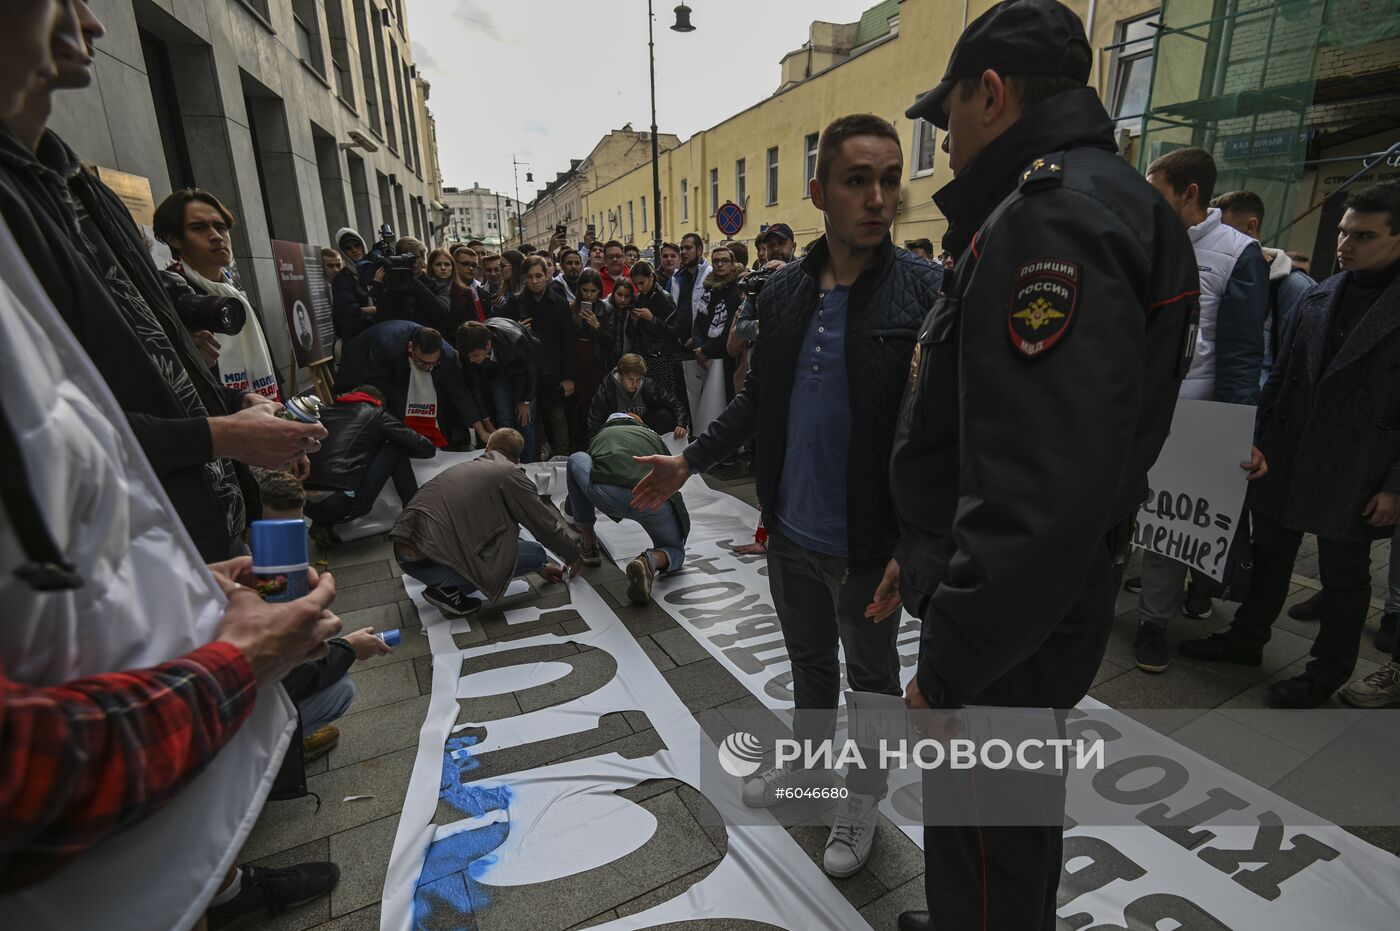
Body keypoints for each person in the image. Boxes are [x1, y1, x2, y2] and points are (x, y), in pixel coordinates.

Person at [0, 10, 342, 925]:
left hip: (163, 531)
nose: (89, 19)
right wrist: (222, 439)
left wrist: (233, 426)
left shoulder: (68, 183)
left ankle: (222, 875)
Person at [889, 3, 1199, 927]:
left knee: (989, 836)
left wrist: (947, 666)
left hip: (1005, 626)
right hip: (1030, 607)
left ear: (992, 92)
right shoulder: (1102, 198)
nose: (944, 143)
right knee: (998, 833)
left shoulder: (1049, 219)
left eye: (947, 119)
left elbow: (1036, 489)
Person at [631, 113, 943, 879]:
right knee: (808, 665)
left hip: (869, 545)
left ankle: (860, 802)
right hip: (791, 532)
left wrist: (919, 540)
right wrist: (689, 460)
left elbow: (944, 431)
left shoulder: (926, 290)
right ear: (819, 191)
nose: (878, 197)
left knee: (870, 685)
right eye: (856, 179)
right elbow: (759, 400)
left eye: (889, 179)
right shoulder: (790, 290)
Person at [0, 11, 324, 563]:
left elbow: (152, 362)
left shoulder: (80, 188)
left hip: (197, 525)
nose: (92, 23)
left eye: (222, 226)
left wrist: (230, 404)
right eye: (63, 2)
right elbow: (31, 434)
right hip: (117, 554)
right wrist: (219, 435)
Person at [1181, 180, 1400, 708]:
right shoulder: (1320, 293)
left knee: (1343, 576)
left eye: (1363, 236)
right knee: (1270, 551)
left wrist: (1396, 487)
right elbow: (1279, 377)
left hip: (1359, 465)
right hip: (1288, 450)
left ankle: (1325, 673)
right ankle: (1246, 639)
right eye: (1344, 232)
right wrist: (1255, 441)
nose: (1345, 244)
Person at [1129, 146, 1268, 673]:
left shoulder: (1237, 254)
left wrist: (1235, 429)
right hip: (1135, 407)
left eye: (1155, 194)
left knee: (1170, 522)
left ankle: (1153, 623)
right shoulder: (1143, 241)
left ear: (1190, 194)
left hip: (1194, 416)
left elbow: (1240, 352)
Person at [391, 429, 581, 617]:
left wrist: (540, 569)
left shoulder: (463, 469)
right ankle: (446, 588)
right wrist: (571, 554)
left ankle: (446, 584)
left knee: (515, 551)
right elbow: (542, 523)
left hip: (405, 554)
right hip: (433, 562)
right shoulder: (509, 474)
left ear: (487, 448)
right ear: (517, 459)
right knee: (536, 553)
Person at [153, 188, 286, 402]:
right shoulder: (167, 297)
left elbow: (273, 376)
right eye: (199, 228)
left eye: (221, 227)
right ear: (175, 239)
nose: (216, 236)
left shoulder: (238, 299)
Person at [567, 413, 689, 602]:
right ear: (639, 422)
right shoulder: (653, 435)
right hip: (653, 498)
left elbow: (581, 474)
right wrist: (680, 518)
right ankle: (651, 560)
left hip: (610, 494)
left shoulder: (601, 436)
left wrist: (573, 514)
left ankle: (589, 544)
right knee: (675, 550)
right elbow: (671, 472)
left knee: (576, 458)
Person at [304, 384, 436, 547]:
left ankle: (322, 523)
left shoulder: (325, 413)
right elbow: (426, 448)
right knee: (395, 451)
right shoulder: (376, 413)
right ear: (378, 402)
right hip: (342, 502)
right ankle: (415, 519)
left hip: (307, 506)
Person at [1212, 189, 1316, 383]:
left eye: (1222, 232)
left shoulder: (1295, 288)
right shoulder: (1215, 276)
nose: (1214, 241)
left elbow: (1301, 364)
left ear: (1251, 226)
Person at [335, 322, 489, 448]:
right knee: (397, 409)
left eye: (433, 363)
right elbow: (380, 393)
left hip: (398, 365)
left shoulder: (447, 357)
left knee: (435, 405)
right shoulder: (388, 349)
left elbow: (460, 393)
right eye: (422, 362)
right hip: (362, 361)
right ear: (411, 348)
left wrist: (481, 431)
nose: (428, 368)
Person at [458, 317, 544, 461]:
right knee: (504, 417)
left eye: (475, 355)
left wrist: (526, 401)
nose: (471, 360)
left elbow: (534, 370)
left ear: (488, 344)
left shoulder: (516, 340)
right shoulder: (468, 349)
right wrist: (485, 419)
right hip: (497, 372)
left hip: (524, 370)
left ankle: (529, 462)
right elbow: (475, 386)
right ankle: (505, 461)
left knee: (525, 419)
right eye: (469, 357)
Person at [515, 254, 576, 457]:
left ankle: (563, 458)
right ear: (524, 277)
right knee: (530, 419)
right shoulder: (515, 303)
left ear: (547, 274)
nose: (534, 281)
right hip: (525, 373)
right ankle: (534, 456)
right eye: (530, 276)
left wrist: (569, 376)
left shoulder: (559, 304)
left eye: (539, 275)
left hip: (553, 371)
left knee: (558, 418)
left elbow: (568, 342)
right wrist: (516, 330)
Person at [627, 260, 691, 416]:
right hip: (646, 354)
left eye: (642, 283)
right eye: (636, 285)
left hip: (662, 357)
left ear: (651, 277)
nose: (640, 288)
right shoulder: (642, 296)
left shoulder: (663, 297)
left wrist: (652, 319)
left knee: (664, 398)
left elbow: (676, 331)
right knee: (648, 398)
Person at [587, 352, 688, 440]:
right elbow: (595, 423)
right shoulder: (607, 390)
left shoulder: (648, 385)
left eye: (638, 379)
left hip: (645, 430)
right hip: (617, 433)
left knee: (664, 415)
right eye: (630, 379)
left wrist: (681, 424)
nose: (635, 384)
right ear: (621, 375)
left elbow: (674, 402)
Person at [694, 245, 743, 401]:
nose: (720, 264)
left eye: (724, 260)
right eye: (716, 261)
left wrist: (704, 350)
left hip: (727, 358)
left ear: (732, 264)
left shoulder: (738, 290)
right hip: (705, 358)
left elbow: (731, 327)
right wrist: (699, 347)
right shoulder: (709, 290)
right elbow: (698, 322)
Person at [569, 267, 609, 450]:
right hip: (578, 362)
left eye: (593, 291)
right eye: (585, 290)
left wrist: (597, 326)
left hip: (597, 362)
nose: (589, 295)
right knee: (579, 406)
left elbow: (611, 341)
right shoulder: (573, 309)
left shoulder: (606, 308)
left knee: (596, 404)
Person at [331, 228, 378, 343]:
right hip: (359, 341)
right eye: (348, 248)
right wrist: (379, 312)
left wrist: (372, 310)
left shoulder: (377, 270)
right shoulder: (342, 279)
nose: (354, 250)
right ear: (343, 252)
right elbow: (350, 317)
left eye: (357, 245)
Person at [668, 233, 711, 342]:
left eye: (688, 248)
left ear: (699, 250)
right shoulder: (675, 278)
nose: (683, 252)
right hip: (678, 344)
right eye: (681, 249)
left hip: (702, 343)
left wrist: (697, 338)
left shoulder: (711, 275)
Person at [447, 244, 489, 334]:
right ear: (454, 264)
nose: (470, 268)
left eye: (474, 265)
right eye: (465, 264)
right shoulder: (446, 291)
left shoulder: (482, 293)